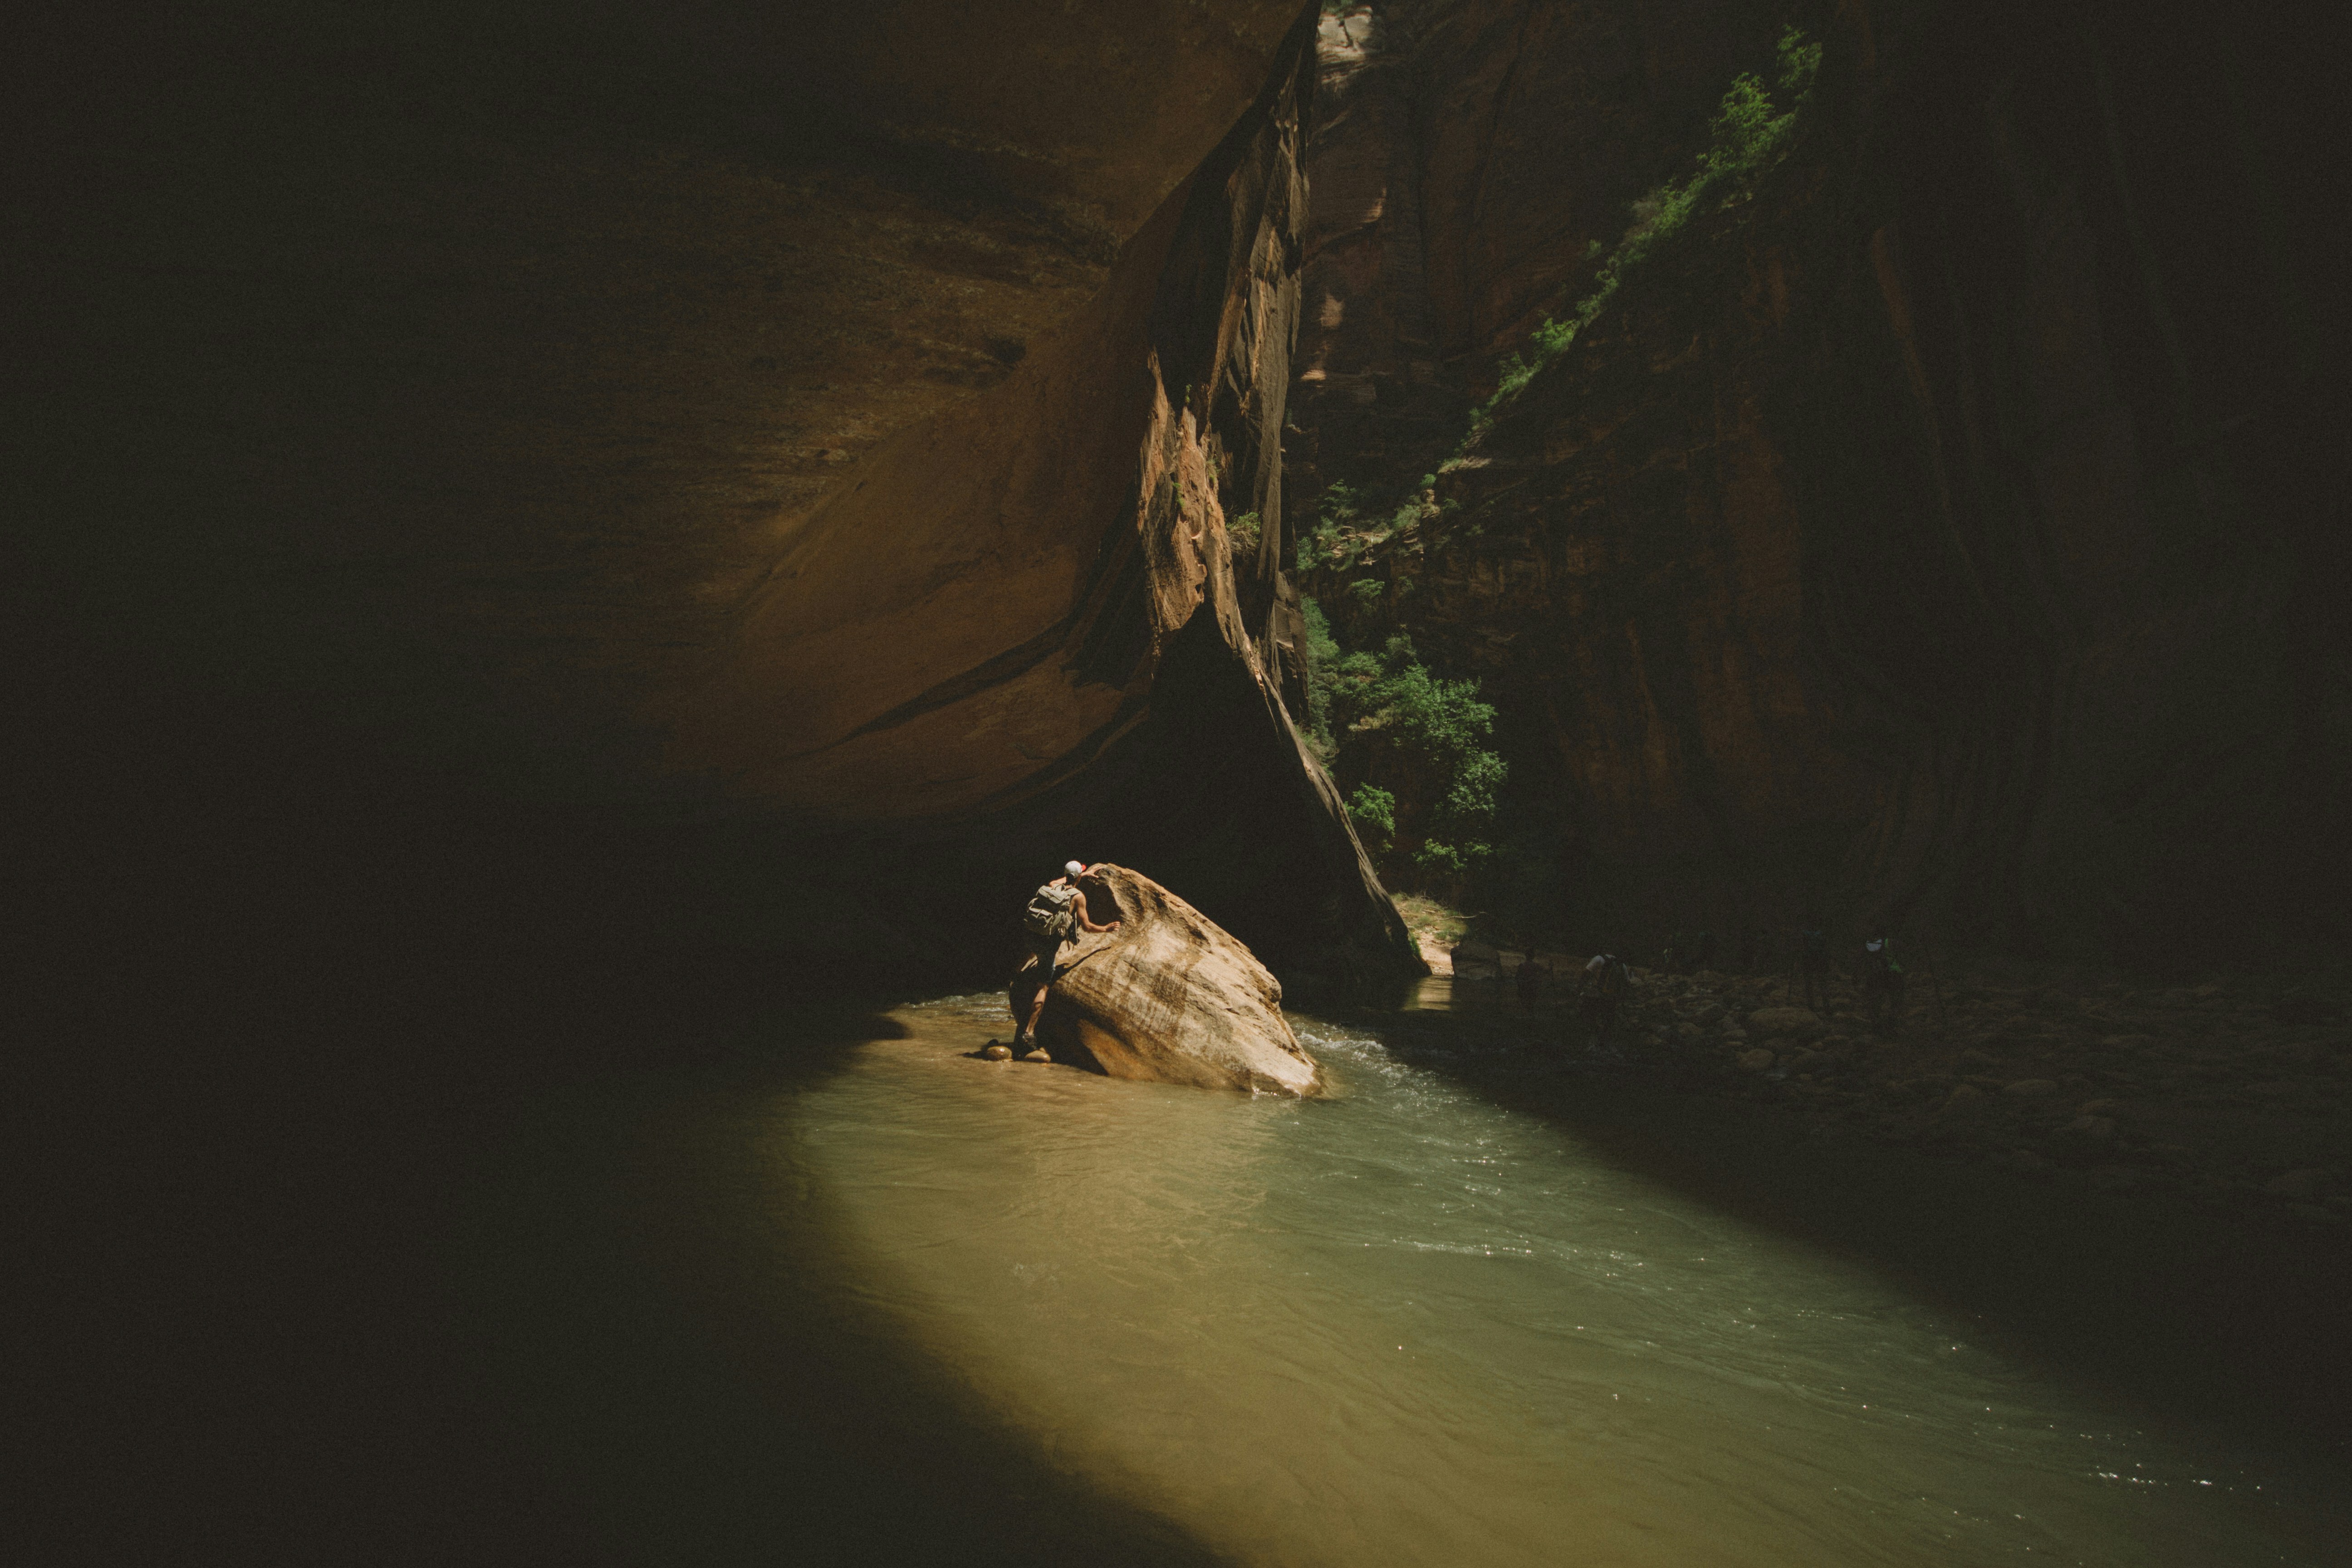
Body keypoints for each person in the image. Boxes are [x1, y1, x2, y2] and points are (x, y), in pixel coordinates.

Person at [1014, 861, 1122, 1050]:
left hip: (1031, 938)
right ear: (1078, 877)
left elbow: (1062, 879)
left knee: (1035, 964)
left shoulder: (1052, 885)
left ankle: (1019, 989)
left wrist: (1080, 875)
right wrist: (1105, 929)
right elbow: (1087, 927)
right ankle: (1029, 1032)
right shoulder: (1079, 897)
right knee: (1043, 986)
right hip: (1049, 945)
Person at [1578, 952, 1630, 1048]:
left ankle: (1589, 1043)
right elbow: (1627, 984)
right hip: (1611, 998)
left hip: (1595, 996)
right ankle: (1605, 1044)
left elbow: (1586, 974)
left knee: (1590, 1019)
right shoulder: (1622, 966)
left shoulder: (1599, 959)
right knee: (1608, 1022)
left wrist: (1578, 990)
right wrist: (1621, 998)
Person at [1859, 936, 1905, 1033]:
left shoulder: (1868, 942)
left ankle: (1877, 1025)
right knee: (1895, 1000)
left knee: (1876, 1000)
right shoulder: (1891, 941)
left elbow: (1863, 961)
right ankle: (1891, 1024)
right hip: (1893, 973)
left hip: (1875, 974)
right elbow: (1902, 955)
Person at [1798, 923, 1830, 1011]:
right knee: (1822, 981)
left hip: (1808, 960)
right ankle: (1826, 1003)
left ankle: (1811, 1004)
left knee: (1809, 982)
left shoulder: (1804, 933)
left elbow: (1801, 947)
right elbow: (1825, 947)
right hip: (1820, 960)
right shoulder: (1821, 934)